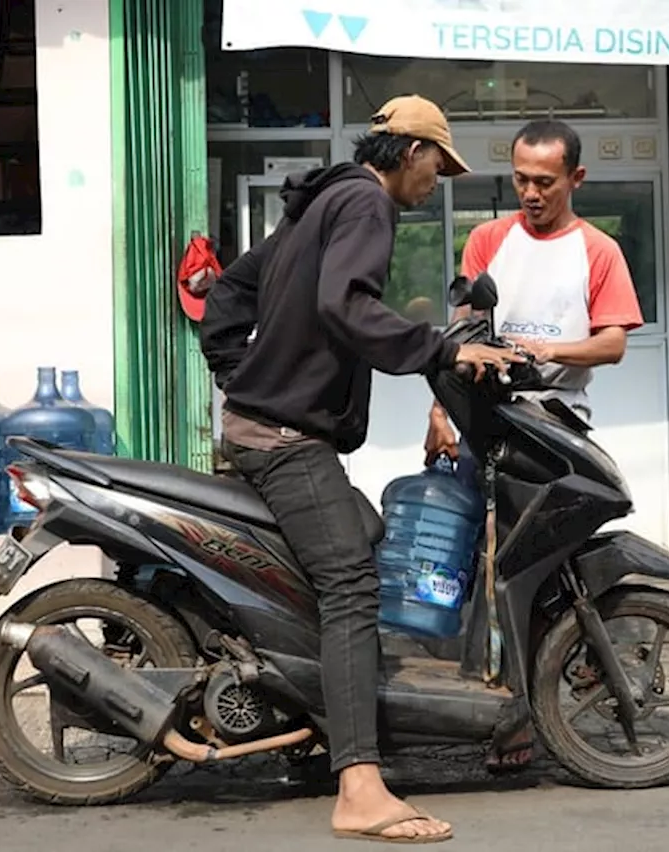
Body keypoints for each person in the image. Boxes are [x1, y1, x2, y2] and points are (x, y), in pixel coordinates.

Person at [200, 94, 523, 844]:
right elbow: (346, 304)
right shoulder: (367, 208)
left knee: (366, 533)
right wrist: (441, 350)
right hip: (286, 439)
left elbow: (230, 290)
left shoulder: (321, 204)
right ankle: (359, 787)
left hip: (262, 426)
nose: (434, 185)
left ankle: (320, 716)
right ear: (412, 153)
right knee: (352, 585)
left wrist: (237, 373)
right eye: (437, 170)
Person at [423, 118, 645, 770]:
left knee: (540, 575)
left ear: (575, 178)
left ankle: (541, 694)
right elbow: (459, 335)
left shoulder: (598, 251)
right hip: (489, 426)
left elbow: (613, 341)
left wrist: (551, 348)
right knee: (482, 573)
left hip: (557, 431)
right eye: (520, 179)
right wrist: (440, 409)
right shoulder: (488, 241)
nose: (531, 192)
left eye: (544, 181)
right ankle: (501, 716)